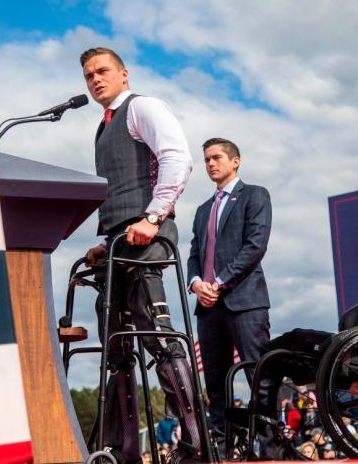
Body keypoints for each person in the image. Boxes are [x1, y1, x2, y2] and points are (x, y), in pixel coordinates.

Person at [80, 47, 199, 463]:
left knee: (158, 336)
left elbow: (177, 159)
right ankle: (120, 448)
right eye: (89, 74)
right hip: (117, 244)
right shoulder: (102, 127)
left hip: (146, 238)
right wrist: (103, 240)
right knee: (115, 346)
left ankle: (196, 443)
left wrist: (153, 215)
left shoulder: (141, 107)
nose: (96, 79)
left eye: (103, 71)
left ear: (124, 74)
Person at [186, 138, 272, 437]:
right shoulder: (201, 210)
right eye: (207, 159)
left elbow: (255, 246)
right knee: (215, 383)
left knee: (258, 377)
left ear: (235, 161)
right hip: (208, 307)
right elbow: (195, 254)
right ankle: (222, 447)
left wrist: (218, 283)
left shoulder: (255, 196)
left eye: (217, 157)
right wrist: (196, 283)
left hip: (244, 301)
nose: (211, 163)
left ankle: (270, 447)